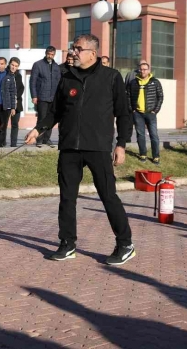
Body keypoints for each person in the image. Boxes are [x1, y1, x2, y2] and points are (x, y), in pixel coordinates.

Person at [24, 34, 135, 266]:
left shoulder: (111, 78)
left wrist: (121, 144)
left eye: (77, 49)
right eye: (72, 48)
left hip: (98, 147)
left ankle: (125, 243)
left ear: (92, 54)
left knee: (108, 196)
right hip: (69, 148)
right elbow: (55, 111)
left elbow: (124, 114)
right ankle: (67, 244)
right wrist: (39, 129)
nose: (72, 52)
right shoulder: (67, 77)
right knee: (67, 198)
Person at [126, 62, 164, 165]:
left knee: (154, 135)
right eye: (141, 69)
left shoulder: (155, 82)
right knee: (140, 135)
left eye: (145, 69)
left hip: (150, 113)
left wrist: (155, 110)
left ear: (149, 70)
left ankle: (156, 156)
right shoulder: (133, 82)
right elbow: (128, 96)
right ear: (139, 70)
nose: (143, 71)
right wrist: (132, 109)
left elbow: (160, 97)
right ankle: (143, 154)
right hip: (138, 113)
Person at [30, 46, 61, 148]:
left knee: (50, 119)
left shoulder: (57, 67)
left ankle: (47, 139)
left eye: (52, 54)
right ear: (46, 53)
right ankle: (39, 139)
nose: (50, 56)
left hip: (53, 97)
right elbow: (33, 81)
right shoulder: (38, 65)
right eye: (49, 54)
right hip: (42, 97)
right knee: (42, 118)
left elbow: (59, 82)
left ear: (54, 55)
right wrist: (34, 95)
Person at [8, 57, 25, 147]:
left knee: (15, 124)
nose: (14, 67)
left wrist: (15, 98)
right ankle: (1, 143)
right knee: (3, 124)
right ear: (9, 64)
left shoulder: (18, 75)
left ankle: (13, 144)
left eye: (16, 66)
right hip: (5, 103)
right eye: (12, 65)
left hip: (17, 103)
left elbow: (21, 88)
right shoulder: (5, 74)